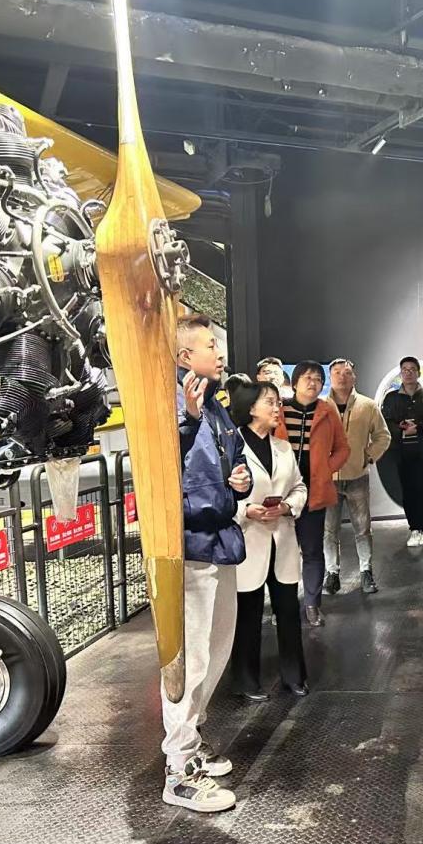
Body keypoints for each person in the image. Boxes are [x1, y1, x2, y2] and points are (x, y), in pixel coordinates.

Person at [163, 315, 252, 813]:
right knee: (189, 659)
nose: (219, 352)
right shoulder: (176, 402)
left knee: (216, 650)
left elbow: (234, 459)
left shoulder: (213, 403)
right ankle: (178, 770)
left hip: (220, 538)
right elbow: (163, 462)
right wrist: (189, 418)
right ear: (184, 356)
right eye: (210, 344)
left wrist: (240, 479)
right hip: (189, 546)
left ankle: (191, 741)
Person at [228, 380, 310, 702]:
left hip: (283, 540)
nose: (278, 408)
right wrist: (245, 510)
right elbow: (222, 495)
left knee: (288, 611)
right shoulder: (232, 446)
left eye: (278, 402)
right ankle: (246, 680)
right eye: (270, 402)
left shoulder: (283, 448)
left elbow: (299, 486)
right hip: (249, 541)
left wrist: (288, 506)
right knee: (247, 616)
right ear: (251, 408)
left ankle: (295, 676)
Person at [276, 361, 349, 628]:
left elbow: (343, 448)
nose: (313, 382)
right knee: (282, 552)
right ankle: (282, 607)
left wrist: (325, 469)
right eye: (307, 377)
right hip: (281, 493)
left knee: (312, 550)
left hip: (314, 492)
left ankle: (312, 604)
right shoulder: (279, 410)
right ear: (294, 382)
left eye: (318, 379)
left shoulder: (327, 411)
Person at [323, 358, 391, 595]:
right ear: (330, 376)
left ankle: (366, 571)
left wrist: (368, 456)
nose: (342, 376)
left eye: (347, 372)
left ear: (354, 377)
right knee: (328, 530)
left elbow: (383, 436)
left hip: (357, 476)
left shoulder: (368, 405)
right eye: (337, 372)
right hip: (327, 479)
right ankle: (332, 573)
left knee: (362, 528)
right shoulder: (321, 406)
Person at [380, 357, 423, 547]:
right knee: (408, 491)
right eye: (404, 369)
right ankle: (414, 528)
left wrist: (417, 427)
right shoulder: (391, 397)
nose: (408, 373)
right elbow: (385, 422)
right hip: (402, 453)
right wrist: (400, 428)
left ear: (418, 373)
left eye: (412, 369)